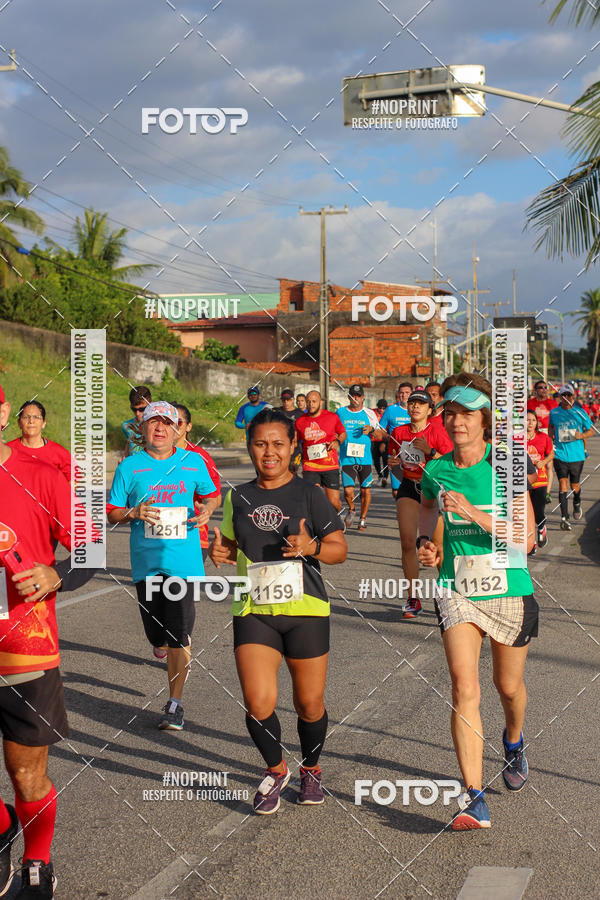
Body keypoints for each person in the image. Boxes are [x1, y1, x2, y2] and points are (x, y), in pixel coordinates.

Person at [209, 409, 347, 814]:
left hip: (305, 610)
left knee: (309, 704)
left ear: (292, 448)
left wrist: (313, 548)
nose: (269, 452)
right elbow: (233, 545)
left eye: (278, 443)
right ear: (250, 447)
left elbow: (339, 549)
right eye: (260, 443)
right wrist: (221, 550)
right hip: (255, 609)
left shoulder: (309, 494)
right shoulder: (238, 496)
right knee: (258, 702)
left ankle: (312, 769)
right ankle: (276, 768)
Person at [418, 372, 537, 830]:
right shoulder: (437, 468)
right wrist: (428, 540)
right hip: (457, 587)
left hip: (508, 586)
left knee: (507, 688)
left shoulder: (506, 466)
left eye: (466, 413)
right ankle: (473, 795)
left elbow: (524, 538)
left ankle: (513, 740)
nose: (456, 421)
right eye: (449, 413)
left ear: (485, 419)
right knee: (463, 687)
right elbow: (429, 506)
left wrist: (471, 511)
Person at [0, 383, 96, 897]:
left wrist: (54, 575)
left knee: (24, 771)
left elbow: (88, 550)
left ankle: (37, 860)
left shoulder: (41, 476)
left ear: (3, 413)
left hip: (23, 646)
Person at [107, 401, 217, 730]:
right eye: (153, 421)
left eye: (167, 423)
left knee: (179, 634)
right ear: (143, 428)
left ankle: (174, 704)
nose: (160, 428)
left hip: (183, 562)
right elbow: (112, 511)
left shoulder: (193, 462)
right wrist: (133, 513)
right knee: (157, 634)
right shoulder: (129, 467)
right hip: (146, 563)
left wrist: (209, 509)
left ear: (177, 429)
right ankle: (160, 642)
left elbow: (211, 495)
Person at [388, 388, 452, 618]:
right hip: (409, 486)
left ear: (429, 410)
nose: (415, 407)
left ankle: (447, 595)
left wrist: (430, 451)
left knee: (437, 545)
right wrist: (392, 461)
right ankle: (413, 598)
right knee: (407, 543)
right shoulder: (399, 431)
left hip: (432, 489)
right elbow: (393, 455)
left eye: (420, 404)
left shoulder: (437, 431)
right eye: (412, 403)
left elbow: (450, 462)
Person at [172, 403, 221, 562]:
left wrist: (208, 508)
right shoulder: (147, 456)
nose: (173, 426)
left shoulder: (200, 457)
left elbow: (215, 496)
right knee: (155, 587)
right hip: (156, 539)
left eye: (178, 422)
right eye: (167, 421)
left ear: (188, 427)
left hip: (192, 534)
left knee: (186, 586)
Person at [548, 385, 594, 531]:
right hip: (560, 454)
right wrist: (550, 442)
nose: (567, 398)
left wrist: (581, 435)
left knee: (574, 486)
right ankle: (564, 518)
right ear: (560, 397)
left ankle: (577, 501)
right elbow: (550, 427)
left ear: (573, 397)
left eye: (570, 395)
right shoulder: (554, 412)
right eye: (564, 395)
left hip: (577, 455)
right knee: (563, 484)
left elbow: (591, 431)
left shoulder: (580, 412)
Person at [337, 385, 381, 531]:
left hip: (365, 459)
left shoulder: (370, 414)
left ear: (363, 397)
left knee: (365, 491)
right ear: (348, 397)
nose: (355, 398)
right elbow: (333, 430)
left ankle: (363, 519)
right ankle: (352, 508)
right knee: (348, 492)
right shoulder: (340, 413)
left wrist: (372, 430)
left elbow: (382, 435)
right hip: (347, 458)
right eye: (352, 395)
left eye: (358, 396)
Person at [295, 391, 346, 514]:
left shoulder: (332, 417)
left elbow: (343, 433)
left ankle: (336, 517)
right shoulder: (300, 421)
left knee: (334, 502)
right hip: (310, 466)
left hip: (330, 464)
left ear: (320, 402)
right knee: (313, 499)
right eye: (308, 402)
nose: (311, 404)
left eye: (314, 401)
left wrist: (338, 442)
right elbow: (294, 442)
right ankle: (317, 526)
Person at [7, 401, 74, 482]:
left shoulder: (59, 453)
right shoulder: (7, 450)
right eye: (26, 417)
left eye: (36, 417)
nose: (31, 421)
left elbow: (76, 483)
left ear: (44, 423)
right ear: (19, 423)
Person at [526, 411, 554, 549]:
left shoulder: (543, 437)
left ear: (537, 423)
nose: (530, 423)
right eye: (527, 420)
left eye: (533, 420)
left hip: (540, 480)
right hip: (523, 481)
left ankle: (542, 528)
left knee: (538, 511)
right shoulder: (515, 439)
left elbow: (551, 454)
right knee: (526, 511)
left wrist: (543, 462)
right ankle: (532, 543)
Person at [379, 383, 412, 498]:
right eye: (402, 393)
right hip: (395, 454)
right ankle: (402, 512)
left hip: (413, 453)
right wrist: (386, 437)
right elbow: (381, 429)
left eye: (407, 393)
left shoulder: (417, 409)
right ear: (398, 394)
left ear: (411, 393)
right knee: (396, 490)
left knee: (414, 487)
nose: (404, 395)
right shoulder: (390, 409)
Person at [527, 381, 557, 502]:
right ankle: (530, 489)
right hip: (533, 433)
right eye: (541, 387)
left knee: (548, 464)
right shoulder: (530, 403)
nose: (544, 389)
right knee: (531, 461)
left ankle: (547, 492)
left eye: (546, 387)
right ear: (535, 390)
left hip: (547, 434)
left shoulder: (552, 403)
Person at [275, 388, 304, 473]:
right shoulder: (277, 412)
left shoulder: (300, 414)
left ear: (293, 400)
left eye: (288, 400)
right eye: (284, 400)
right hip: (280, 447)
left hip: (296, 448)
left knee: (293, 471)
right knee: (281, 472)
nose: (286, 402)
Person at [122, 386, 152, 458]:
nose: (137, 413)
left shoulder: (159, 426)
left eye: (142, 409)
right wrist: (124, 457)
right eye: (134, 409)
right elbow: (130, 441)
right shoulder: (126, 426)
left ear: (151, 404)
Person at [372, 399, 389, 487]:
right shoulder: (372, 413)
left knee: (385, 460)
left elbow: (389, 430)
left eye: (383, 408)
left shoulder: (387, 414)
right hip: (374, 441)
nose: (381, 410)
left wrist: (384, 442)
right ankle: (380, 476)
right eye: (380, 408)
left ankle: (385, 478)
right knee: (376, 460)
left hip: (384, 441)